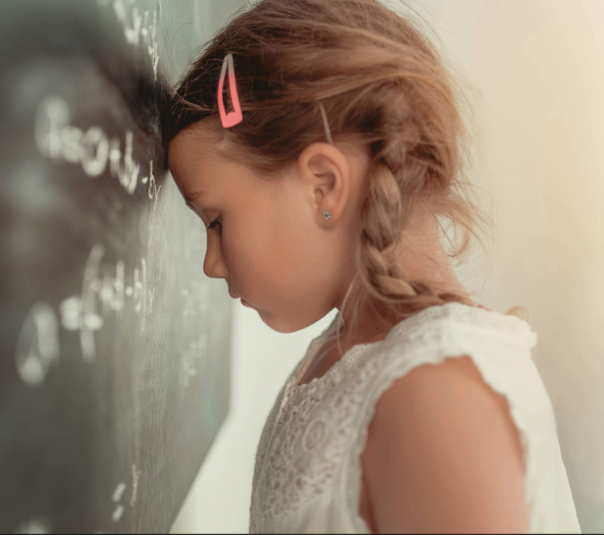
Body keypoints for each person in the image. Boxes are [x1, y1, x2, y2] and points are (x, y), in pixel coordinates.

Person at [161, 0, 581, 532]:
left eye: (216, 221)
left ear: (324, 186)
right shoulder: (341, 358)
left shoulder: (436, 393)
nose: (210, 265)